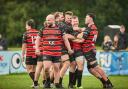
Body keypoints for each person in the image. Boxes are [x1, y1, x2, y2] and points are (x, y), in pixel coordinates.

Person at [80, 13, 113, 88]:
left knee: (96, 67)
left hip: (89, 51)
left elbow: (82, 40)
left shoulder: (90, 28)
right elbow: (91, 39)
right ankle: (104, 82)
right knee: (90, 69)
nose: (85, 18)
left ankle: (108, 83)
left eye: (86, 17)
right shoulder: (93, 28)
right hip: (91, 49)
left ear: (91, 18)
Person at [35, 14, 63, 88]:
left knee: (56, 68)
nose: (47, 21)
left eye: (49, 20)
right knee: (46, 68)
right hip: (47, 52)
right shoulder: (43, 29)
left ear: (53, 20)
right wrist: (37, 48)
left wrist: (68, 49)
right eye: (46, 20)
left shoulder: (59, 29)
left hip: (57, 52)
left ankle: (57, 84)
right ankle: (47, 80)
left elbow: (64, 39)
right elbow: (37, 39)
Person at [22, 19, 38, 88]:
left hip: (30, 53)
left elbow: (24, 45)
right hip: (37, 53)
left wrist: (22, 54)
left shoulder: (26, 33)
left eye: (26, 25)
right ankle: (34, 84)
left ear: (29, 26)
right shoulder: (38, 32)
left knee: (28, 69)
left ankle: (36, 83)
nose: (25, 27)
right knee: (34, 69)